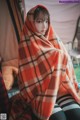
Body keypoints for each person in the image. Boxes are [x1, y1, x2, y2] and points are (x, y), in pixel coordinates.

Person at [10, 4, 80, 120]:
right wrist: (56, 56)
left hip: (61, 89)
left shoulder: (53, 38)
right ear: (31, 23)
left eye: (46, 21)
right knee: (59, 118)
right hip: (41, 94)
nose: (44, 25)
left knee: (77, 115)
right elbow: (28, 80)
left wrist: (59, 57)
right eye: (39, 21)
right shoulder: (25, 44)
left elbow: (66, 64)